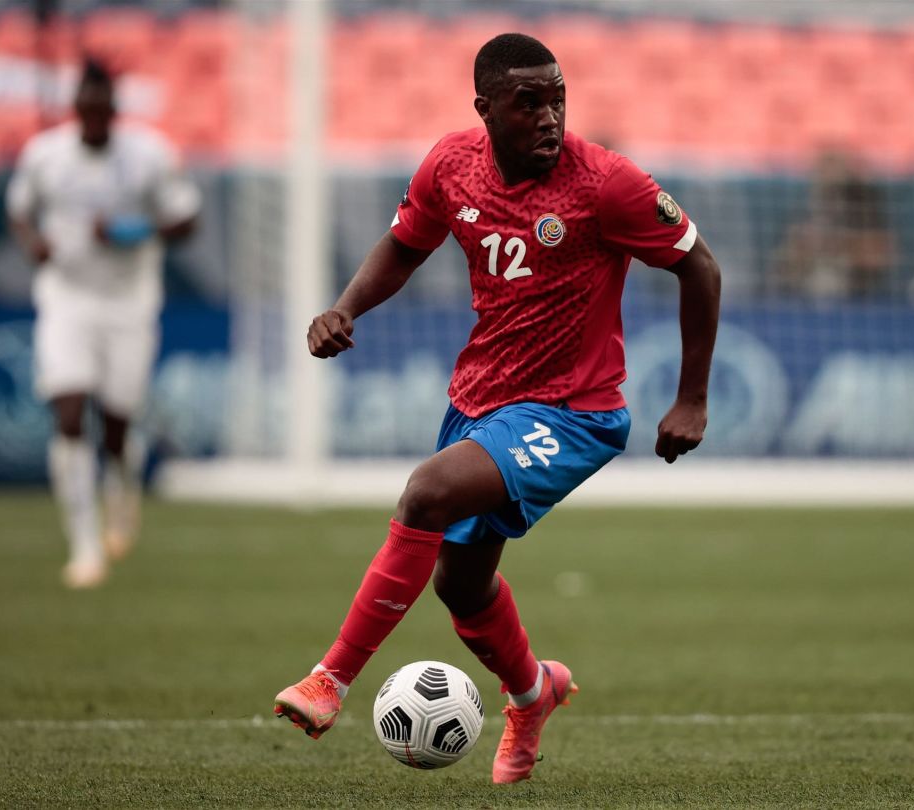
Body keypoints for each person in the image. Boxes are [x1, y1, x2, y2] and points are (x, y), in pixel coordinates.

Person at [274, 33, 721, 784]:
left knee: (427, 492)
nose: (549, 117)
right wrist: (344, 308)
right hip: (480, 400)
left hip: (575, 412)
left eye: (558, 98)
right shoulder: (451, 166)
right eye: (528, 103)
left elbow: (698, 266)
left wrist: (692, 398)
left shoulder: (606, 183)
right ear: (485, 108)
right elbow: (405, 244)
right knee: (461, 583)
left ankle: (330, 680)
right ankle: (531, 694)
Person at [7, 58, 200, 589]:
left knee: (116, 424)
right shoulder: (45, 155)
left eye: (102, 108)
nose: (94, 117)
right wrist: (33, 243)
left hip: (128, 302)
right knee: (69, 414)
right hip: (66, 297)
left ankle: (120, 483)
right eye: (85, 107)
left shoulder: (148, 155)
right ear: (75, 108)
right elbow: (19, 210)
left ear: (114, 108)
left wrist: (131, 229)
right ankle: (84, 546)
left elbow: (187, 219)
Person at [768, 147, 895, 300]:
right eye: (821, 175)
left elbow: (882, 254)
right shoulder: (807, 209)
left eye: (834, 182)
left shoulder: (863, 206)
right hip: (808, 280)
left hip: (853, 285)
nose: (826, 181)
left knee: (826, 280)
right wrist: (804, 245)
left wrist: (837, 243)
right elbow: (788, 255)